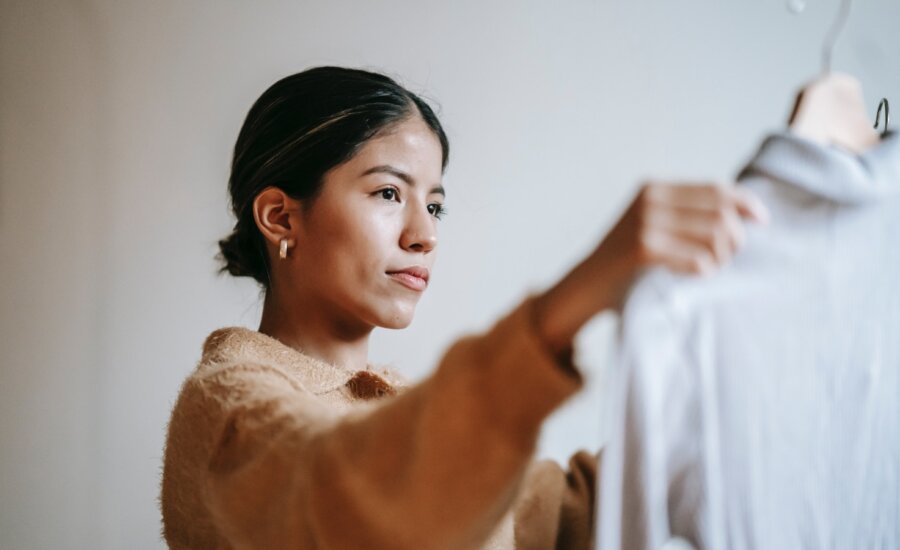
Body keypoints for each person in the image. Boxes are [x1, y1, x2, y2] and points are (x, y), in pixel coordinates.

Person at [159, 66, 768, 549]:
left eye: (437, 204)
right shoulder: (226, 411)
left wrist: (712, 411)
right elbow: (361, 503)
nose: (425, 234)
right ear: (280, 216)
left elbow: (557, 520)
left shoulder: (404, 410)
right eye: (389, 192)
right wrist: (574, 299)